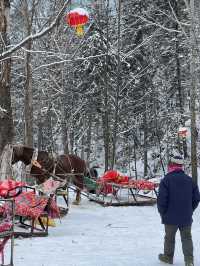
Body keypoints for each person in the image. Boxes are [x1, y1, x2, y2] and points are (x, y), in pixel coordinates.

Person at [157, 154, 200, 266]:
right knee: (187, 238)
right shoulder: (190, 181)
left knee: (169, 238)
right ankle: (189, 261)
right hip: (186, 216)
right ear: (181, 166)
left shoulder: (166, 180)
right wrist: (190, 210)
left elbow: (161, 200)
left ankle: (168, 258)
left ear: (171, 164)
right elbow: (196, 198)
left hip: (170, 217)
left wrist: (163, 213)